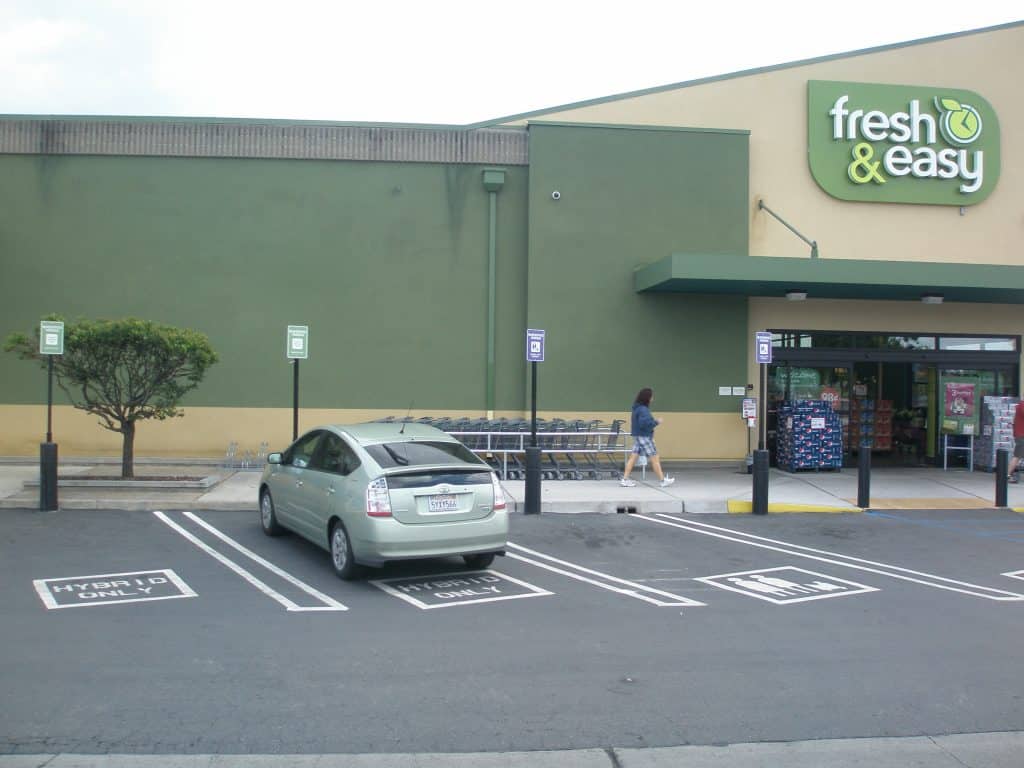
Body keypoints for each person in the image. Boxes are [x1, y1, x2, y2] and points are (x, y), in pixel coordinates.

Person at [620, 387, 675, 488]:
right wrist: (656, 422)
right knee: (655, 458)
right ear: (647, 398)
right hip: (644, 436)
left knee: (633, 457)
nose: (652, 398)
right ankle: (663, 480)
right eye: (651, 396)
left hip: (637, 436)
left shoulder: (637, 408)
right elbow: (644, 423)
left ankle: (625, 479)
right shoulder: (643, 410)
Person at [1009, 398, 1024, 483]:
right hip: (1022, 435)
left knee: (1017, 456)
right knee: (1017, 456)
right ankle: (1007, 475)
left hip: (1020, 434)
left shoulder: (1020, 405)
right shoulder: (1022, 405)